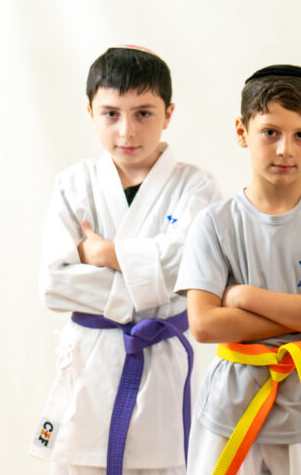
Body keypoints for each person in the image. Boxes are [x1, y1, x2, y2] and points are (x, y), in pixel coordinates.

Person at [33, 46, 220, 475]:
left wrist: (105, 255)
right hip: (90, 360)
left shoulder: (196, 186)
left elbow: (188, 267)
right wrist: (146, 283)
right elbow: (54, 282)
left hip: (160, 360)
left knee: (160, 461)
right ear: (90, 113)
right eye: (111, 114)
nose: (127, 131)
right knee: (80, 458)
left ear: (168, 114)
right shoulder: (73, 184)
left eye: (143, 114)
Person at [175, 65, 301, 475]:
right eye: (270, 132)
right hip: (230, 407)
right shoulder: (214, 224)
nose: (285, 149)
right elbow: (204, 325)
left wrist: (245, 298)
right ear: (242, 131)